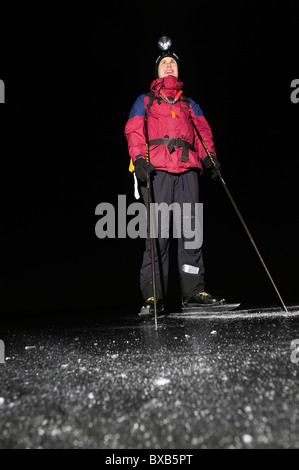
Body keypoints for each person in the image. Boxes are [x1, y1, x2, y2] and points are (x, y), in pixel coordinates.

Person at [125, 38, 226, 316]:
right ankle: (153, 297)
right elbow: (134, 131)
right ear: (157, 72)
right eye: (164, 64)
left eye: (173, 64)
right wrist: (139, 159)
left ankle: (193, 293)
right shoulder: (144, 101)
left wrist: (209, 158)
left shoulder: (190, 104)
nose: (169, 67)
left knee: (191, 232)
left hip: (187, 170)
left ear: (178, 71)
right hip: (155, 171)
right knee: (156, 235)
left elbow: (203, 133)